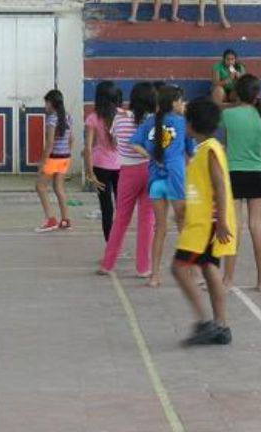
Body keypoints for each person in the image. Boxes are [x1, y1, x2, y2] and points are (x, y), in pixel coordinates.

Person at [173, 97, 235, 346]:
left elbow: (219, 186)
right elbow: (206, 187)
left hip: (206, 224)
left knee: (178, 268)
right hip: (203, 219)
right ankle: (221, 325)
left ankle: (204, 323)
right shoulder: (207, 148)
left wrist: (220, 221)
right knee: (209, 269)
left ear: (192, 124)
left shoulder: (209, 150)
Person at [131, 85, 193, 288]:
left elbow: (134, 143)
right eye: (181, 101)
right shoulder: (182, 123)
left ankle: (154, 275)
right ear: (173, 103)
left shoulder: (150, 122)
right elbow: (191, 152)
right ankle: (191, 272)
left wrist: (149, 155)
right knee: (183, 226)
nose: (184, 105)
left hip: (155, 180)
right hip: (175, 178)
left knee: (160, 229)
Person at [219, 74, 261, 292]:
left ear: (236, 93)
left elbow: (225, 142)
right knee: (257, 226)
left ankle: (228, 279)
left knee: (234, 226)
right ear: (257, 94)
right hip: (256, 174)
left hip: (233, 173)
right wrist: (255, 152)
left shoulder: (228, 115)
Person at [98, 82, 157, 277]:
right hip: (149, 170)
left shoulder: (119, 119)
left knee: (121, 219)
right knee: (146, 220)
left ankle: (107, 264)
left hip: (127, 172)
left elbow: (115, 143)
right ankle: (143, 267)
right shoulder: (153, 121)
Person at [84, 81, 122, 241]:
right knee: (122, 208)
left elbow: (87, 148)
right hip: (121, 166)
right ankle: (118, 244)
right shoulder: (122, 115)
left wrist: (90, 173)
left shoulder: (93, 118)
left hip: (100, 166)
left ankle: (110, 248)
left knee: (107, 209)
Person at [35, 90, 74, 233]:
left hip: (53, 158)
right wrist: (68, 155)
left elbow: (50, 143)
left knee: (40, 187)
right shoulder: (68, 117)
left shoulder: (52, 119)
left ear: (51, 103)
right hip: (65, 157)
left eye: (46, 102)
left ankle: (50, 219)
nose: (45, 105)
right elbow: (71, 139)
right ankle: (65, 220)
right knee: (59, 189)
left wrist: (43, 162)